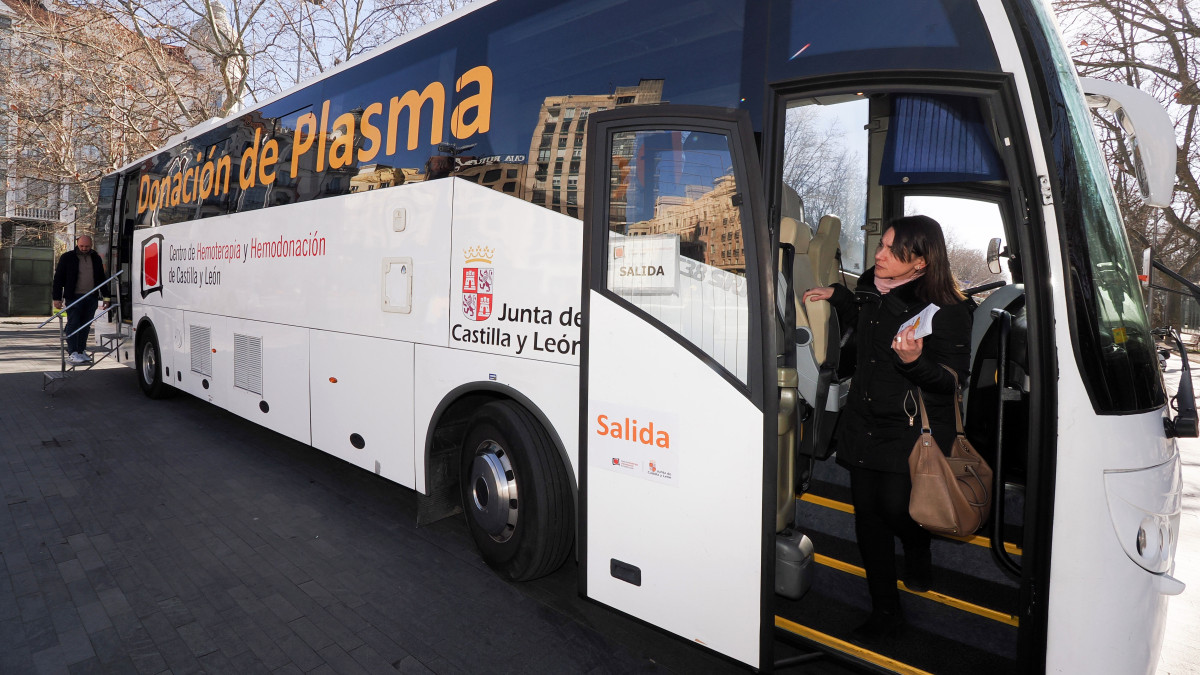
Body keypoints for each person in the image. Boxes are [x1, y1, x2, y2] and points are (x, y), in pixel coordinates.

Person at [804, 215, 971, 642]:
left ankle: (917, 547)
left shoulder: (948, 308)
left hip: (911, 429)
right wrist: (839, 297)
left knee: (896, 509)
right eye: (882, 245)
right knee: (867, 520)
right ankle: (886, 610)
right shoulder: (868, 287)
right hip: (863, 419)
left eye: (893, 251)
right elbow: (863, 328)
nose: (879, 254)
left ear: (920, 262)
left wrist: (917, 362)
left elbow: (951, 381)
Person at [51, 235, 110, 365]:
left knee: (85, 325)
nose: (84, 248)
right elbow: (59, 278)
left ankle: (81, 350)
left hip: (91, 297)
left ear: (91, 245)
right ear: (77, 244)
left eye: (87, 246)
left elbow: (101, 278)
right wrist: (57, 298)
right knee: (74, 323)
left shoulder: (96, 258)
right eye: (82, 246)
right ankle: (73, 352)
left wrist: (106, 296)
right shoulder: (67, 257)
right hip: (74, 297)